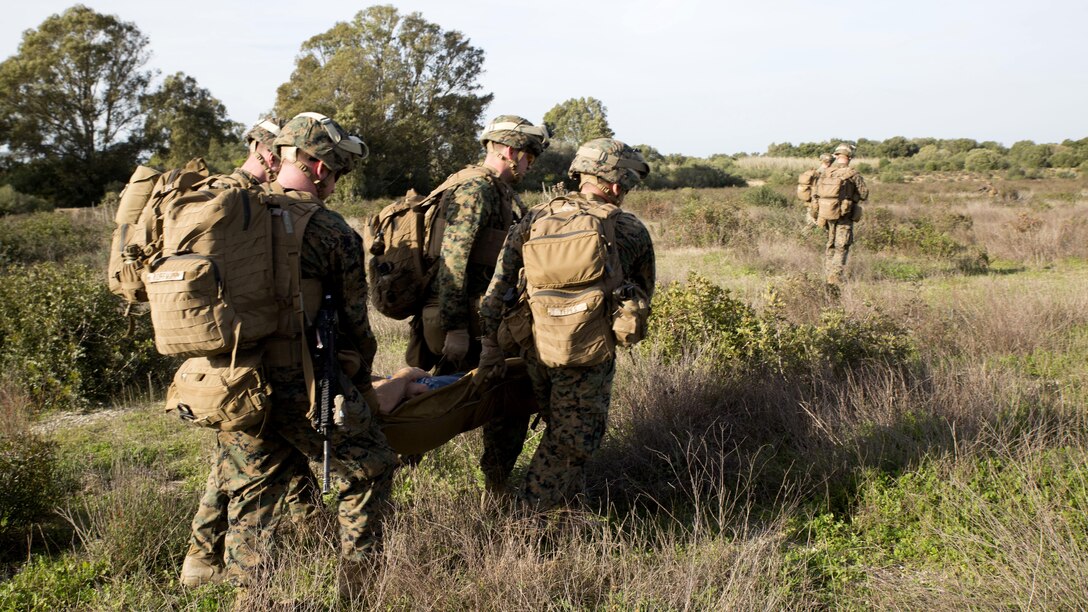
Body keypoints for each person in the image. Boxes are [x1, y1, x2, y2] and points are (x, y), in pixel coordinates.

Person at [208, 112, 399, 596]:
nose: (335, 183)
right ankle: (358, 587)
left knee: (254, 488)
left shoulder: (235, 215)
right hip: (303, 378)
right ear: (319, 166)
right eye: (337, 172)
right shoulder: (331, 230)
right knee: (371, 465)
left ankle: (248, 596)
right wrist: (360, 382)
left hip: (236, 378)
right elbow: (355, 323)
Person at [179, 117, 322, 588]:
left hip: (224, 352)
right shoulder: (245, 201)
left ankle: (208, 556)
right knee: (239, 460)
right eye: (281, 155)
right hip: (248, 354)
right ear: (267, 153)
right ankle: (207, 559)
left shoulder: (227, 197)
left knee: (243, 454)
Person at [476, 138, 655, 510]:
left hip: (531, 347)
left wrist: (491, 346)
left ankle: (507, 494)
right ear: (617, 185)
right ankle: (526, 520)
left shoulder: (534, 217)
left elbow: (497, 290)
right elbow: (642, 294)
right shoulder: (628, 229)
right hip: (587, 354)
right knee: (573, 440)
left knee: (541, 425)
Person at [409, 115, 549, 376]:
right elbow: (453, 260)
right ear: (511, 152)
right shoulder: (476, 190)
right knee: (458, 393)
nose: (530, 166)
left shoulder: (495, 189)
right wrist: (456, 329)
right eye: (529, 158)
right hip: (466, 320)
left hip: (478, 315)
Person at [814, 143, 868, 289]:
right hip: (844, 216)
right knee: (842, 246)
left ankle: (828, 275)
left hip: (827, 214)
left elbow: (816, 193)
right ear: (849, 157)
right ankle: (835, 280)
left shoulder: (826, 172)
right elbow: (864, 194)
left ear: (837, 156)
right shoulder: (852, 174)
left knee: (830, 244)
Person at [802, 153, 834, 224]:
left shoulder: (814, 173)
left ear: (821, 161)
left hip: (813, 202)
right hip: (825, 203)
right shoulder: (831, 174)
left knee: (811, 223)